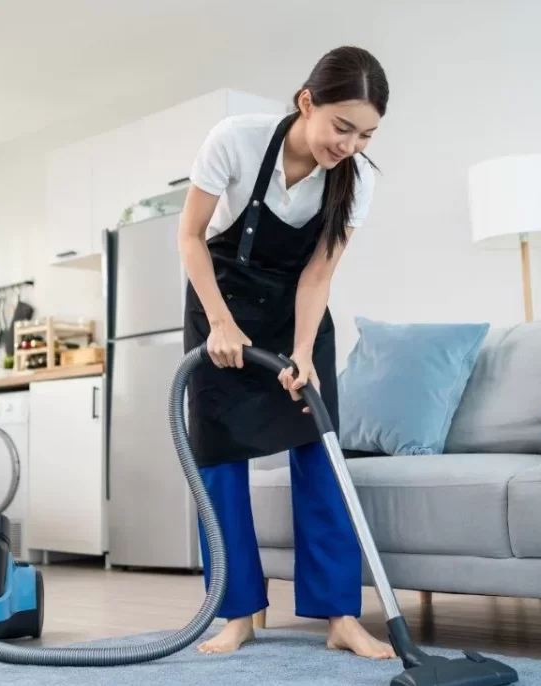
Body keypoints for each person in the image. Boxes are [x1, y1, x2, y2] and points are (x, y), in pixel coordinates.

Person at [177, 45, 392, 658]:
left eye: (366, 133)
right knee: (217, 455)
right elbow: (189, 236)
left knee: (320, 450)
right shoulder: (235, 142)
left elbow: (318, 276)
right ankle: (238, 612)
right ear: (307, 103)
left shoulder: (359, 182)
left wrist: (302, 352)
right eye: (341, 126)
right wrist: (219, 323)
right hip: (220, 301)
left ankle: (340, 617)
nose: (349, 144)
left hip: (297, 313)